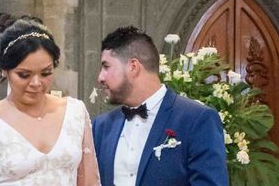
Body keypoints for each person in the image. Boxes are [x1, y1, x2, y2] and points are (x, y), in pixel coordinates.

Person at [0, 14, 101, 186]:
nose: (36, 83)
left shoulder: (75, 112)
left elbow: (89, 182)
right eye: (24, 75)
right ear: (5, 71)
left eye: (45, 73)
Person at [92, 26, 228, 186]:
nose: (100, 77)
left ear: (133, 67)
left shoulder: (197, 120)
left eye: (106, 66)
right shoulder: (100, 126)